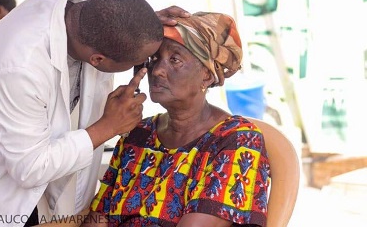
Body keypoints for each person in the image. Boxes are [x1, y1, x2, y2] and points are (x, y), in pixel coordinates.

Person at [0, 0, 189, 227]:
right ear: (97, 60)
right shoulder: (20, 65)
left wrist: (139, 27)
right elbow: (29, 167)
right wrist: (106, 128)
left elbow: (114, 20)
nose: (154, 69)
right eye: (140, 61)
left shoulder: (83, 2)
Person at [81, 12, 271, 227]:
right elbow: (99, 216)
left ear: (207, 76)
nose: (158, 71)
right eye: (154, 59)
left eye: (175, 60)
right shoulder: (139, 133)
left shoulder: (236, 140)